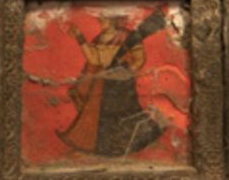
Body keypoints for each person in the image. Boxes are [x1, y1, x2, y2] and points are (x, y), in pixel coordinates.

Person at [58, 11, 169, 159]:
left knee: (126, 113)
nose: (100, 23)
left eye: (103, 20)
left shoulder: (128, 37)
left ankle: (134, 143)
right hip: (105, 83)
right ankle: (107, 148)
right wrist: (80, 38)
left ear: (111, 21)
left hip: (123, 84)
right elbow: (94, 59)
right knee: (105, 117)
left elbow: (139, 59)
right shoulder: (100, 38)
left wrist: (127, 71)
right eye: (101, 20)